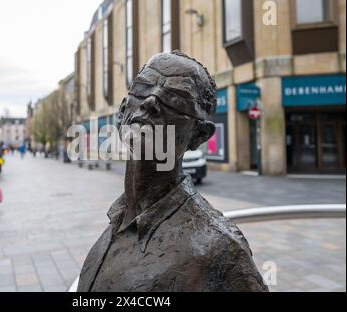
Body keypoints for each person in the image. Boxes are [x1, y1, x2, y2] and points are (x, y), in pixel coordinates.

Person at [77, 51, 268, 292]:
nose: (151, 102)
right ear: (123, 113)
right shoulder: (118, 221)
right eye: (143, 88)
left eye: (176, 100)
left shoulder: (219, 251)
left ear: (198, 136)